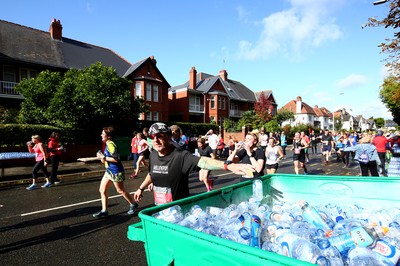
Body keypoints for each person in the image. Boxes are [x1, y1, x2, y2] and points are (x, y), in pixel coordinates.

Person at [133, 122, 254, 205]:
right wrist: (140, 188)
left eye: (159, 136)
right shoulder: (153, 154)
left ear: (169, 137)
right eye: (152, 136)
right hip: (159, 208)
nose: (155, 140)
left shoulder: (180, 156)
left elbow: (204, 161)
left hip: (178, 210)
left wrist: (228, 165)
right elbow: (151, 173)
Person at [93, 127, 138, 218]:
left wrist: (103, 157)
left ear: (108, 136)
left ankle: (133, 204)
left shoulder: (111, 145)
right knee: (102, 190)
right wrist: (101, 157)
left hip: (116, 172)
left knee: (120, 190)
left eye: (103, 134)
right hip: (109, 171)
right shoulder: (107, 144)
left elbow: (116, 159)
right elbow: (105, 160)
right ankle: (104, 210)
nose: (101, 135)